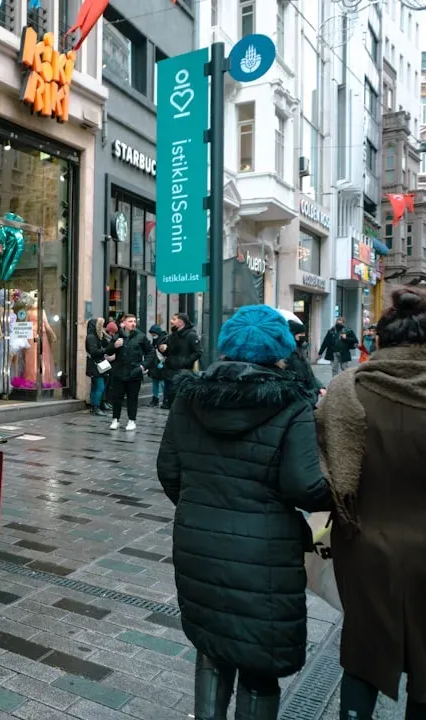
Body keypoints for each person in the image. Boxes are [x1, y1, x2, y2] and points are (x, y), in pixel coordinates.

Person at [157, 304, 331, 720]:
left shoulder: (189, 397)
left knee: (212, 646)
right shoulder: (292, 404)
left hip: (198, 541)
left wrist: (202, 506)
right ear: (281, 350)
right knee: (258, 661)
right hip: (265, 552)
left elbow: (169, 471)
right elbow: (305, 486)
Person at [316, 287, 426, 719]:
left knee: (362, 653)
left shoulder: (347, 391)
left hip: (363, 544)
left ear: (378, 339)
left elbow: (324, 475)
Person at [106, 314, 151, 431]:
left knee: (132, 398)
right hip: (119, 372)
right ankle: (115, 419)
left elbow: (150, 352)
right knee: (117, 398)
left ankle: (132, 420)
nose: (133, 323)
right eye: (130, 321)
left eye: (134, 321)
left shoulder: (141, 336)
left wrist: (142, 366)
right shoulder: (117, 336)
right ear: (124, 323)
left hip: (134, 372)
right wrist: (115, 346)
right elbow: (108, 351)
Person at [276, 309, 325, 403]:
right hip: (297, 397)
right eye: (300, 334)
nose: (303, 336)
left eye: (304, 334)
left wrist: (320, 387)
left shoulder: (301, 349)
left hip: (307, 396)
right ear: (292, 334)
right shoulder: (285, 352)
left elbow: (309, 373)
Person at [161, 312, 202, 409]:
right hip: (170, 371)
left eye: (174, 319)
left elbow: (198, 352)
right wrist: (163, 349)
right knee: (170, 398)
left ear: (181, 322)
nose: (171, 321)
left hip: (183, 372)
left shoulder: (191, 335)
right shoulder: (173, 335)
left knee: (180, 400)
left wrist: (185, 362)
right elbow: (167, 351)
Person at [85, 317, 112, 415]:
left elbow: (107, 343)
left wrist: (105, 335)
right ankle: (96, 407)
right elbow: (94, 351)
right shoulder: (91, 337)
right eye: (100, 325)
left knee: (96, 386)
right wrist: (105, 351)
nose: (102, 327)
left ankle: (95, 406)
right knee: (100, 386)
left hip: (99, 364)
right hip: (95, 364)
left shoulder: (97, 335)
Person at [148, 324, 168, 407]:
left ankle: (165, 400)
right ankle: (155, 399)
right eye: (152, 334)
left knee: (163, 384)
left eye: (154, 334)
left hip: (161, 365)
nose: (153, 335)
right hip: (155, 366)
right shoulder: (156, 340)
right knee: (155, 383)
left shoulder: (164, 340)